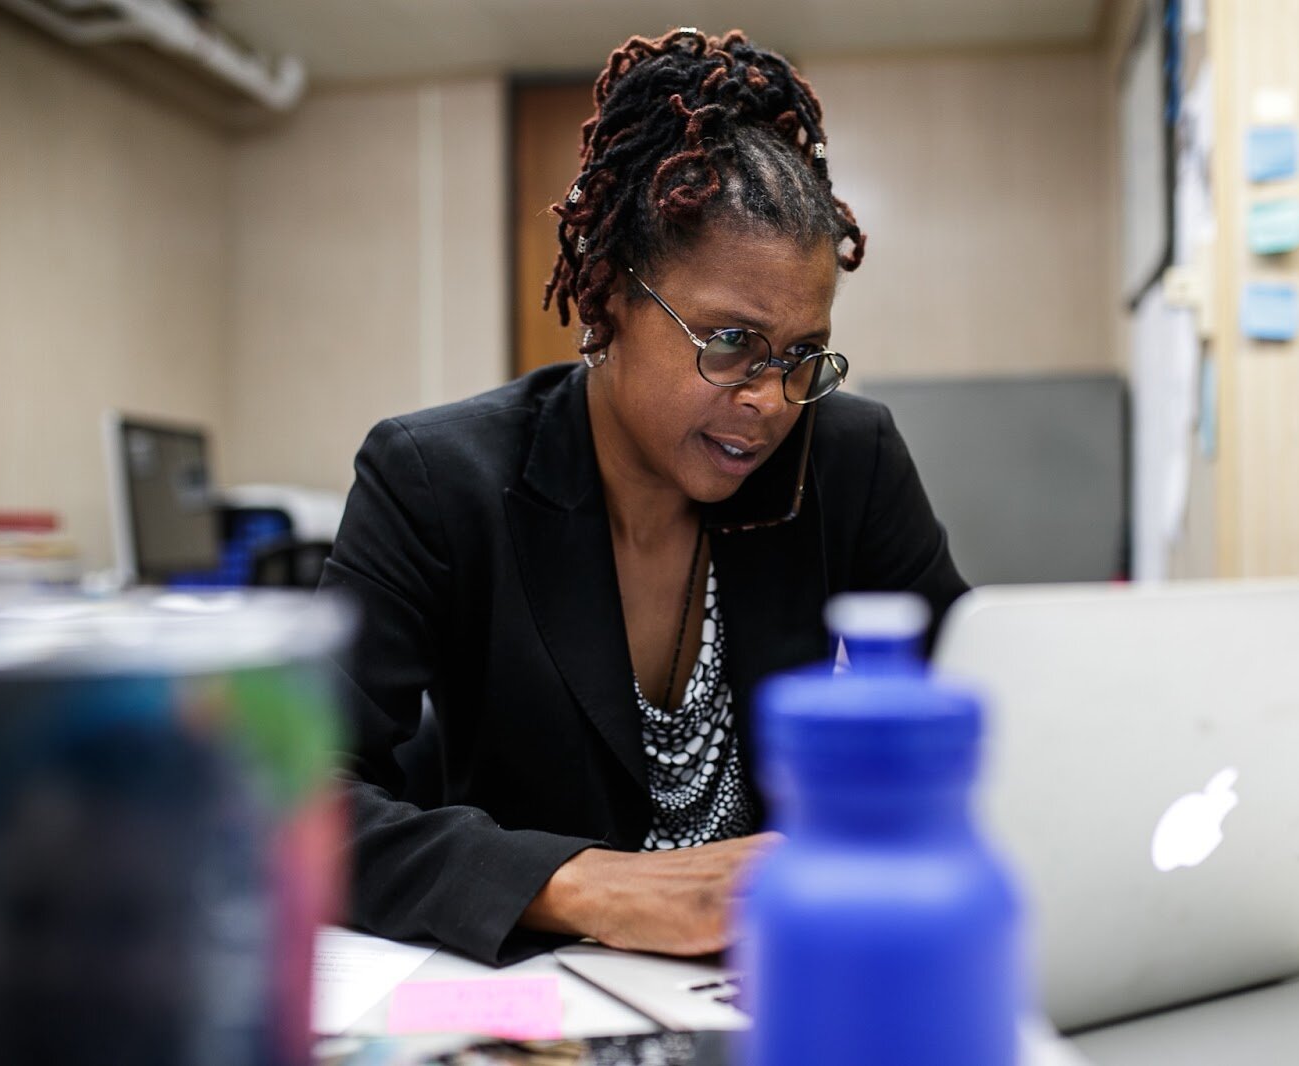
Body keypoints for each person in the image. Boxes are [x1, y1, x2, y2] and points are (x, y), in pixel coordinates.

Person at [322, 27, 967, 967]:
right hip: (544, 999)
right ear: (612, 297)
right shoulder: (435, 480)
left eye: (801, 357)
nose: (768, 398)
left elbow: (983, 705)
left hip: (783, 977)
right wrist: (581, 884)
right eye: (730, 341)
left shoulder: (847, 458)